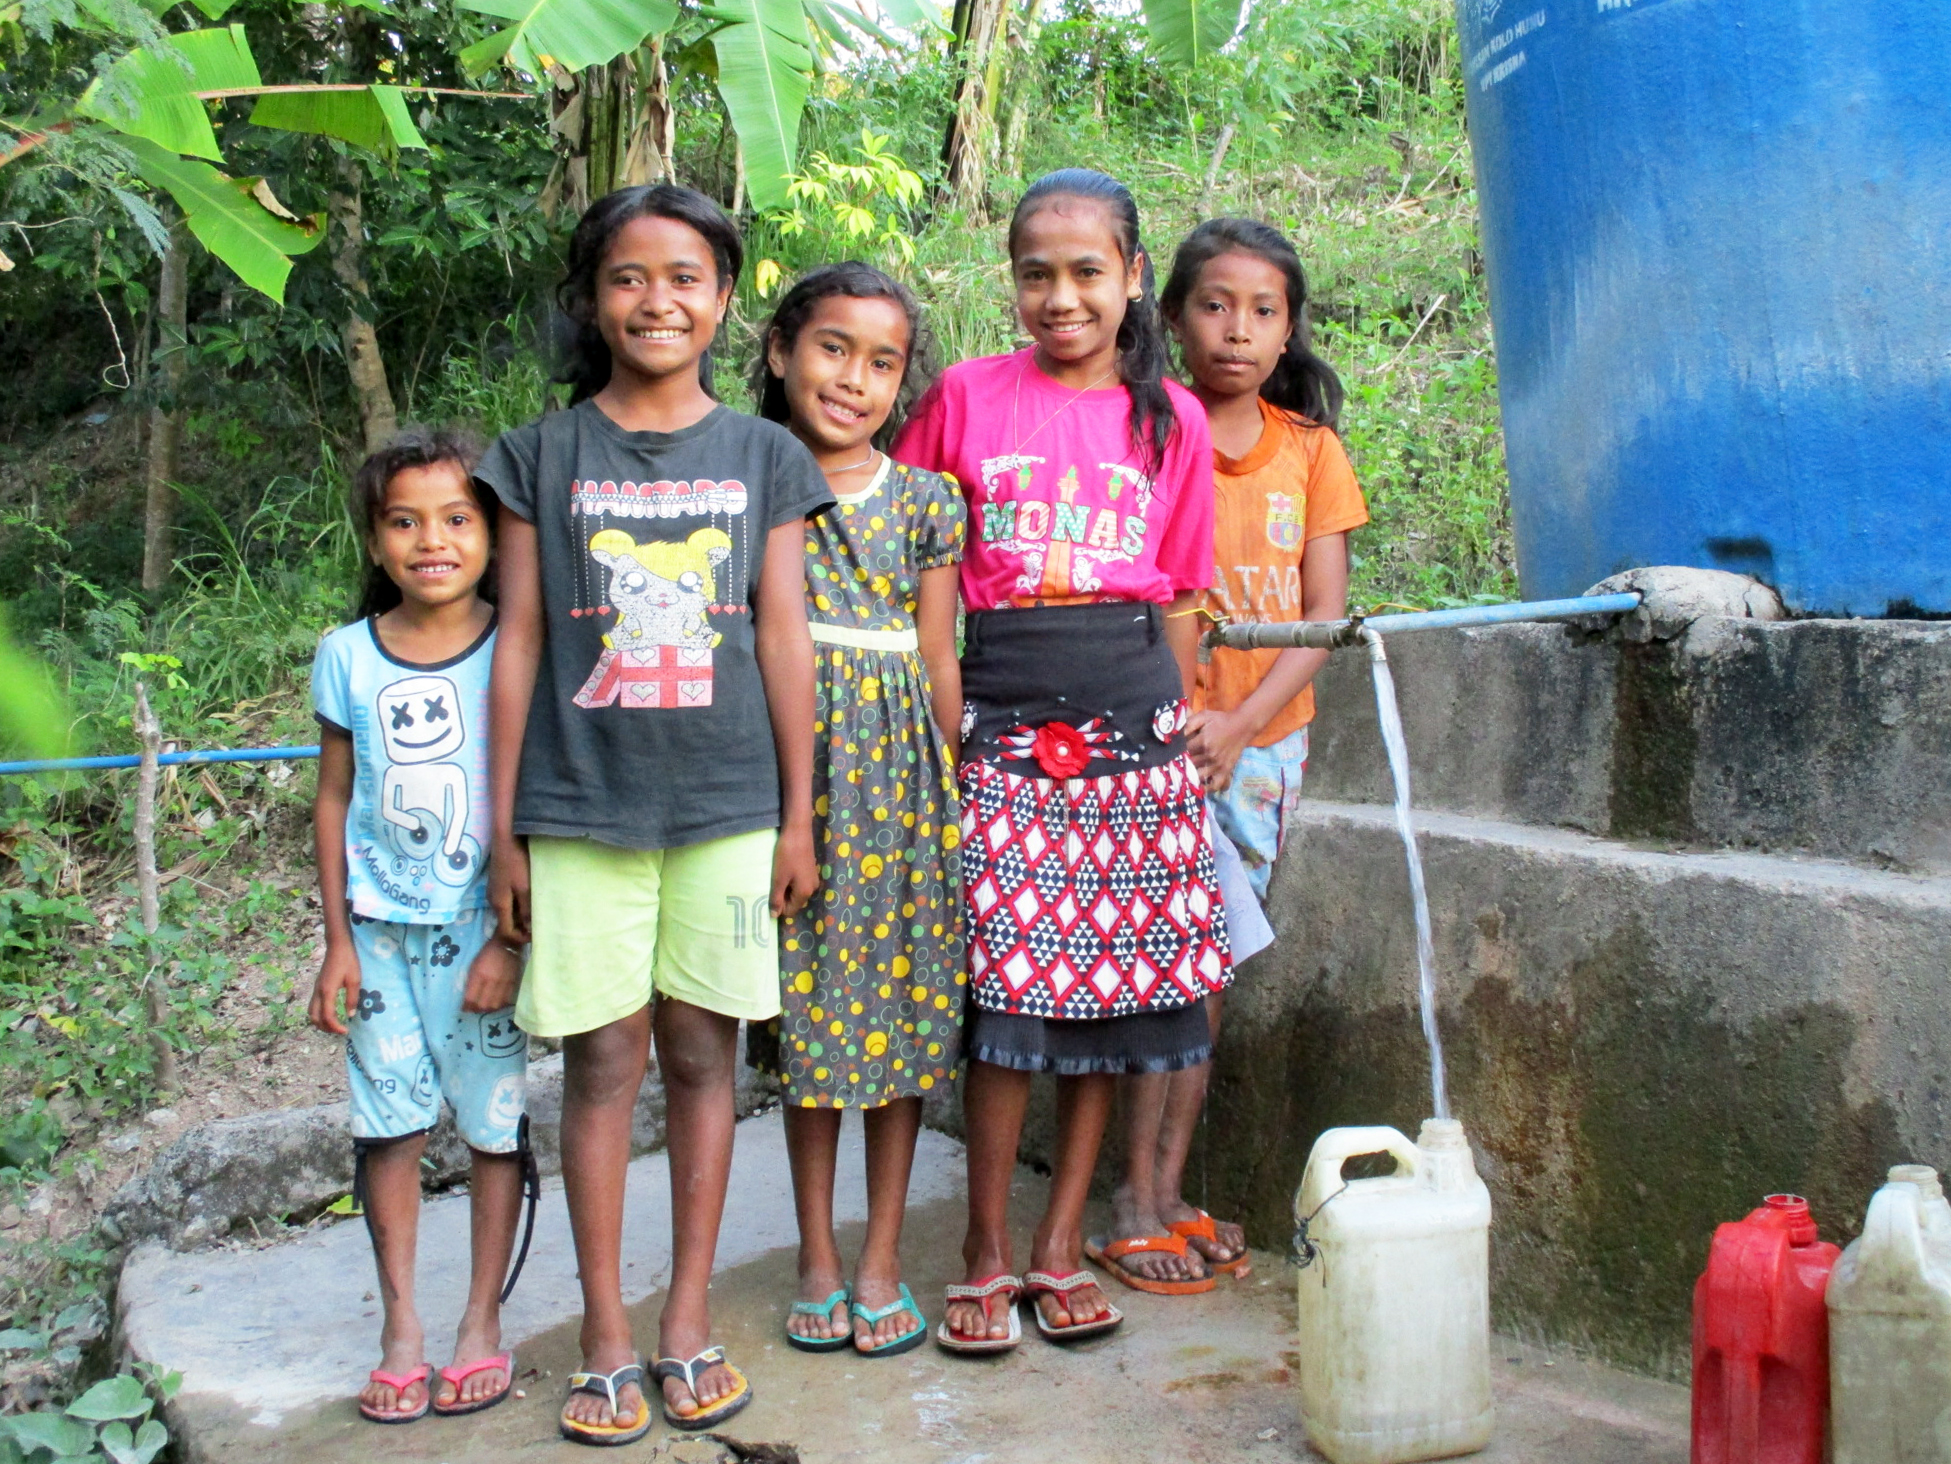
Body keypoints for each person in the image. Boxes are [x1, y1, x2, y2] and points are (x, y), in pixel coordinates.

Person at [476, 184, 830, 1444]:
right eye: (629, 277)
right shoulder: (539, 455)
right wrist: (503, 822)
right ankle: (606, 1335)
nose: (657, 300)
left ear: (724, 300)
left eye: (686, 277)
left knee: (703, 1059)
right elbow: (515, 641)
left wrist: (796, 813)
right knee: (600, 1065)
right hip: (578, 806)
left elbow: (784, 638)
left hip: (731, 807)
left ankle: (685, 1321)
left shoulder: (766, 456)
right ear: (593, 298)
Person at [892, 168, 1233, 1348]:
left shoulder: (1171, 418)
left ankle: (1053, 1246)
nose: (1060, 296)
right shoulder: (963, 398)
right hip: (997, 701)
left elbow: (1182, 584)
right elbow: (916, 552)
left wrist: (1183, 716)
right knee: (1007, 994)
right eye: (1035, 272)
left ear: (1133, 277)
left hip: (1131, 714)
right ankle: (984, 1250)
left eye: (1087, 271)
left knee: (1111, 994)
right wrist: (937, 716)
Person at [746, 262, 967, 1358]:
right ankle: (817, 1254)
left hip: (903, 786)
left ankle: (880, 1255)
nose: (855, 379)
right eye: (834, 348)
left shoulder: (927, 500)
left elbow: (937, 652)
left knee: (907, 1017)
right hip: (795, 774)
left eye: (882, 362)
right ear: (782, 350)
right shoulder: (742, 479)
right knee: (814, 1016)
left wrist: (956, 779)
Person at [1145, 216, 1371, 1275]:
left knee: (1205, 975)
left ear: (1289, 331)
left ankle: (1168, 1190)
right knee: (1140, 970)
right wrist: (1182, 716)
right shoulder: (1143, 434)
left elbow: (1325, 616)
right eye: (1214, 303)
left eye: (1263, 309)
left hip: (1262, 746)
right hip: (1154, 737)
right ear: (1173, 317)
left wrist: (1237, 724)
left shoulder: (1311, 453)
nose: (1237, 327)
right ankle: (1133, 1198)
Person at [307, 426, 528, 1425]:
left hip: (485, 941)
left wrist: (510, 941)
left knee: (491, 1130)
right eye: (403, 520)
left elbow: (537, 804)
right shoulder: (346, 656)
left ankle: (481, 1319)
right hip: (381, 938)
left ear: (490, 533)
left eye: (455, 518)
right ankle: (402, 1328)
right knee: (388, 1130)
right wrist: (338, 943)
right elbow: (331, 798)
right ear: (374, 538)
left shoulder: (518, 643)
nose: (430, 541)